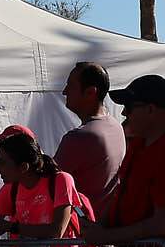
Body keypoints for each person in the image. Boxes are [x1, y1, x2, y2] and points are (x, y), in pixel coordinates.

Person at [81, 74, 165, 247]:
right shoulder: (140, 142)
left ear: (151, 109)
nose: (124, 113)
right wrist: (99, 226)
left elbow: (162, 224)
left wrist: (105, 236)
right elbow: (123, 192)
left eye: (130, 106)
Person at [0, 127, 87, 247]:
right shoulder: (10, 188)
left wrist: (9, 227)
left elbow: (56, 232)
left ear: (24, 167)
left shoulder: (61, 180)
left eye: (2, 162)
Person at [53, 60, 125, 217]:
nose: (65, 92)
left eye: (71, 86)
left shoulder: (79, 137)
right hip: (101, 230)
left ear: (90, 93)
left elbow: (46, 184)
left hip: (81, 233)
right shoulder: (116, 127)